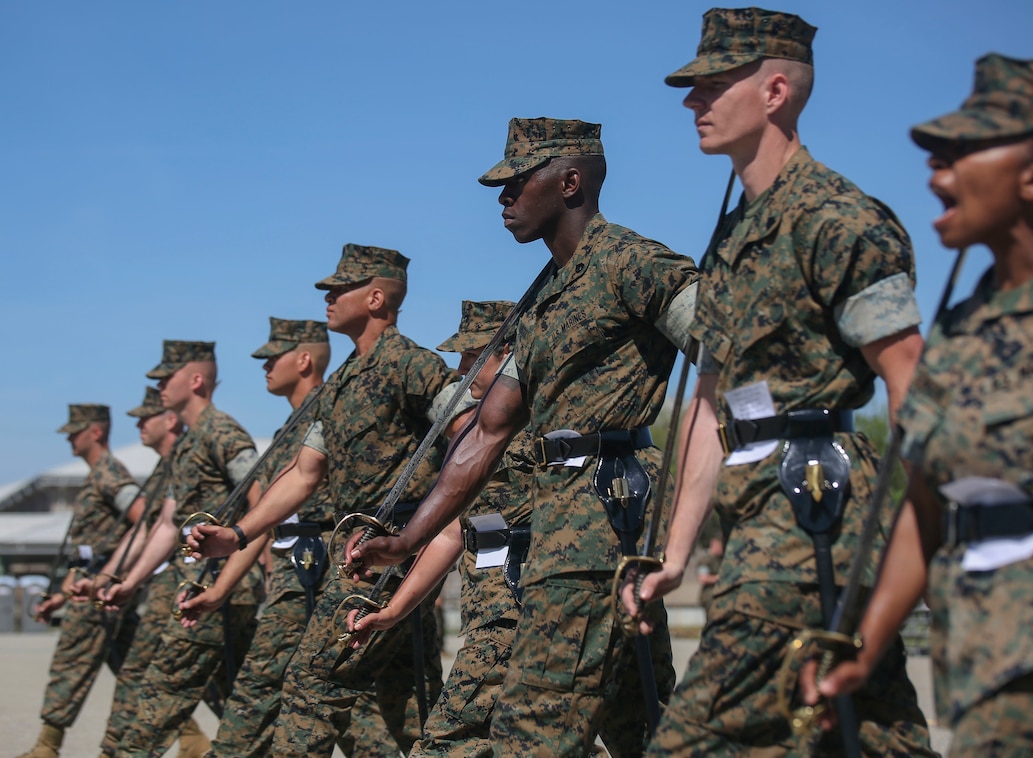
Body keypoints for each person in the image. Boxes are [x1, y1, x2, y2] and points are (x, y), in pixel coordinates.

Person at [629, 8, 936, 755]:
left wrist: (915, 533)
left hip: (811, 517)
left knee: (691, 740)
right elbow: (710, 405)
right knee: (868, 728)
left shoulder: (839, 221)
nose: (690, 102)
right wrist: (674, 553)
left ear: (774, 92)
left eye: (710, 84)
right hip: (752, 511)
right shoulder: (731, 235)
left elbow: (913, 386)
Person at [354, 117, 698, 757]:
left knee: (530, 732)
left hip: (607, 526)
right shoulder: (540, 301)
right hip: (559, 535)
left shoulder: (632, 263)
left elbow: (726, 349)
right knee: (642, 729)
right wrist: (407, 538)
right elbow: (488, 433)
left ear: (570, 182)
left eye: (517, 182)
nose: (503, 198)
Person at [813, 54, 1033, 756]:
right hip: (984, 668)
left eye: (963, 152)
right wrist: (864, 646)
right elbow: (931, 505)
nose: (938, 171)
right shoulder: (965, 325)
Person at [186, 244, 464, 757]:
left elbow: (472, 430)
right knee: (408, 706)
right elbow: (304, 472)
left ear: (377, 298)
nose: (329, 297)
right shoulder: (341, 383)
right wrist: (240, 533)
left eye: (342, 288)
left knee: (312, 686)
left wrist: (429, 528)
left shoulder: (412, 365)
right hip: (360, 554)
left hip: (389, 553)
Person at [349, 299, 537, 757]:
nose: (461, 368)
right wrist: (394, 610)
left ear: (509, 354)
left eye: (473, 356)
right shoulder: (472, 437)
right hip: (488, 617)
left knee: (446, 743)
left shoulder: (537, 431)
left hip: (526, 612)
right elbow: (453, 532)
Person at [176, 317, 347, 757]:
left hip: (323, 573)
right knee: (268, 699)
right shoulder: (287, 430)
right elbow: (262, 525)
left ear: (304, 360)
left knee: (348, 716)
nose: (265, 366)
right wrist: (218, 591)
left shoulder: (335, 413)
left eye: (274, 357)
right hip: (293, 575)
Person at [102, 340, 263, 758]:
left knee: (158, 698)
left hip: (219, 593)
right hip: (200, 590)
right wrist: (130, 581)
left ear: (195, 380)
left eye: (164, 378)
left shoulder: (224, 433)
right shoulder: (189, 444)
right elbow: (166, 524)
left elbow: (262, 513)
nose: (157, 387)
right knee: (243, 704)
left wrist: (228, 586)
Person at [82, 387, 211, 758]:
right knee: (154, 672)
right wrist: (113, 577)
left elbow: (156, 527)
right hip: (172, 580)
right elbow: (151, 530)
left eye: (145, 417)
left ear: (169, 421)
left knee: (153, 673)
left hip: (194, 578)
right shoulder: (165, 467)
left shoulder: (196, 452)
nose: (138, 424)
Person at [16, 404, 141, 758]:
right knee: (134, 664)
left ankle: (46, 747)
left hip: (100, 592)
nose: (69, 437)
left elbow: (142, 517)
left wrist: (114, 574)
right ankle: (191, 735)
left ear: (96, 432)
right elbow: (87, 548)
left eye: (76, 430)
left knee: (71, 660)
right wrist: (60, 596)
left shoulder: (109, 473)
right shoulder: (96, 474)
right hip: (93, 587)